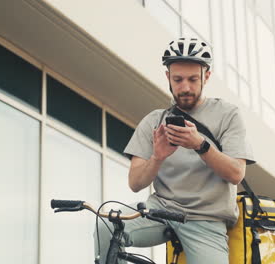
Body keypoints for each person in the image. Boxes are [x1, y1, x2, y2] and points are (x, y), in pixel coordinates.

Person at [94, 37, 255, 264]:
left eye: (193, 79)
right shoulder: (154, 121)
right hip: (160, 209)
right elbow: (135, 183)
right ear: (168, 77)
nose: (185, 87)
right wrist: (158, 157)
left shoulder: (228, 115)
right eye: (178, 79)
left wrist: (200, 145)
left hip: (206, 218)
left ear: (206, 77)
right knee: (106, 227)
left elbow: (236, 173)